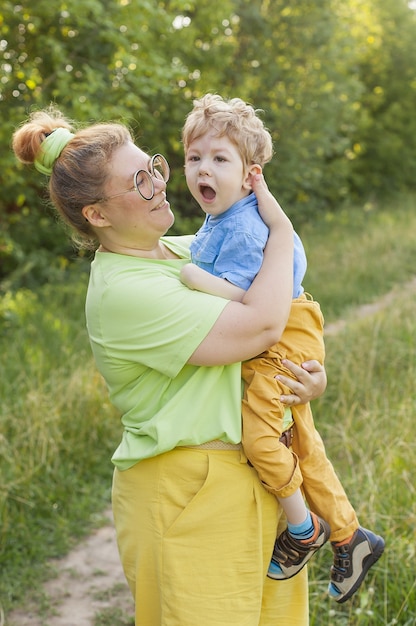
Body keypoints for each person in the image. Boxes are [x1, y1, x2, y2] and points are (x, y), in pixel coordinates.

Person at [12, 105, 329, 626]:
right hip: (187, 491)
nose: (159, 183)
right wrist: (280, 222)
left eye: (155, 166)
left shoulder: (189, 253)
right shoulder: (127, 291)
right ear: (97, 214)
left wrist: (308, 376)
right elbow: (263, 325)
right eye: (138, 180)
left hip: (260, 480)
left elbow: (284, 316)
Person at [180, 93, 385, 603]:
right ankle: (350, 536)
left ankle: (303, 529)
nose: (203, 169)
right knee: (304, 444)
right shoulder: (227, 215)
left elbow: (253, 307)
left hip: (280, 336)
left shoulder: (248, 230)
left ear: (249, 174)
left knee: (263, 441)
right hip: (287, 333)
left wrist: (191, 278)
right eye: (194, 158)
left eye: (219, 159)